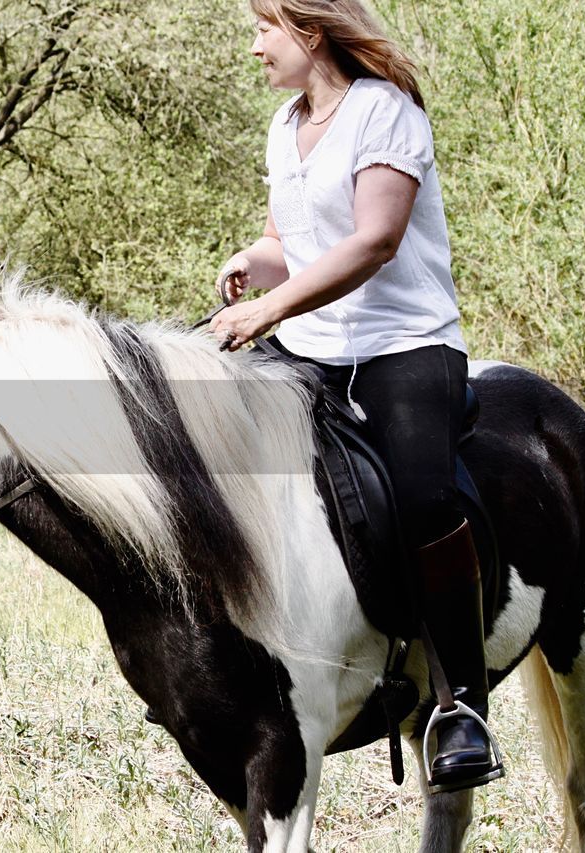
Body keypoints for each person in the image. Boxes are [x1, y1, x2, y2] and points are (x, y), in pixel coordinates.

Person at [208, 0, 502, 792]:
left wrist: (269, 308)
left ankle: (461, 704)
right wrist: (253, 260)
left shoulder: (385, 113)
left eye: (263, 29)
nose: (254, 47)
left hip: (404, 346)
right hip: (312, 350)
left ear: (307, 30)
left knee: (422, 493)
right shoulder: (283, 127)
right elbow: (291, 243)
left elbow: (374, 240)